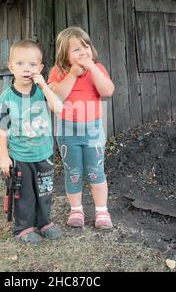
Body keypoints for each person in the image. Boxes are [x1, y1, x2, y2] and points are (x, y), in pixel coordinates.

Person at [0, 39, 63, 244]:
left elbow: (58, 108)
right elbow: (1, 129)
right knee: (24, 194)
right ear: (11, 66)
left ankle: (44, 223)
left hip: (44, 154)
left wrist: (44, 85)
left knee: (45, 190)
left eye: (32, 65)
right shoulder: (7, 98)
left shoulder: (42, 92)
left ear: (40, 68)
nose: (26, 69)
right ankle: (23, 228)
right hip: (21, 156)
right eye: (21, 64)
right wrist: (4, 157)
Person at [48, 26, 115, 229]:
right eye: (76, 49)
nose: (83, 52)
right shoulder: (58, 71)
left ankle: (101, 211)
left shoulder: (98, 69)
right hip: (67, 131)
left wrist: (92, 68)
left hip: (92, 129)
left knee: (96, 171)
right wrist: (73, 75)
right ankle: (76, 210)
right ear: (64, 55)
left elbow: (108, 91)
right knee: (73, 171)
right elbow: (57, 96)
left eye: (86, 46)